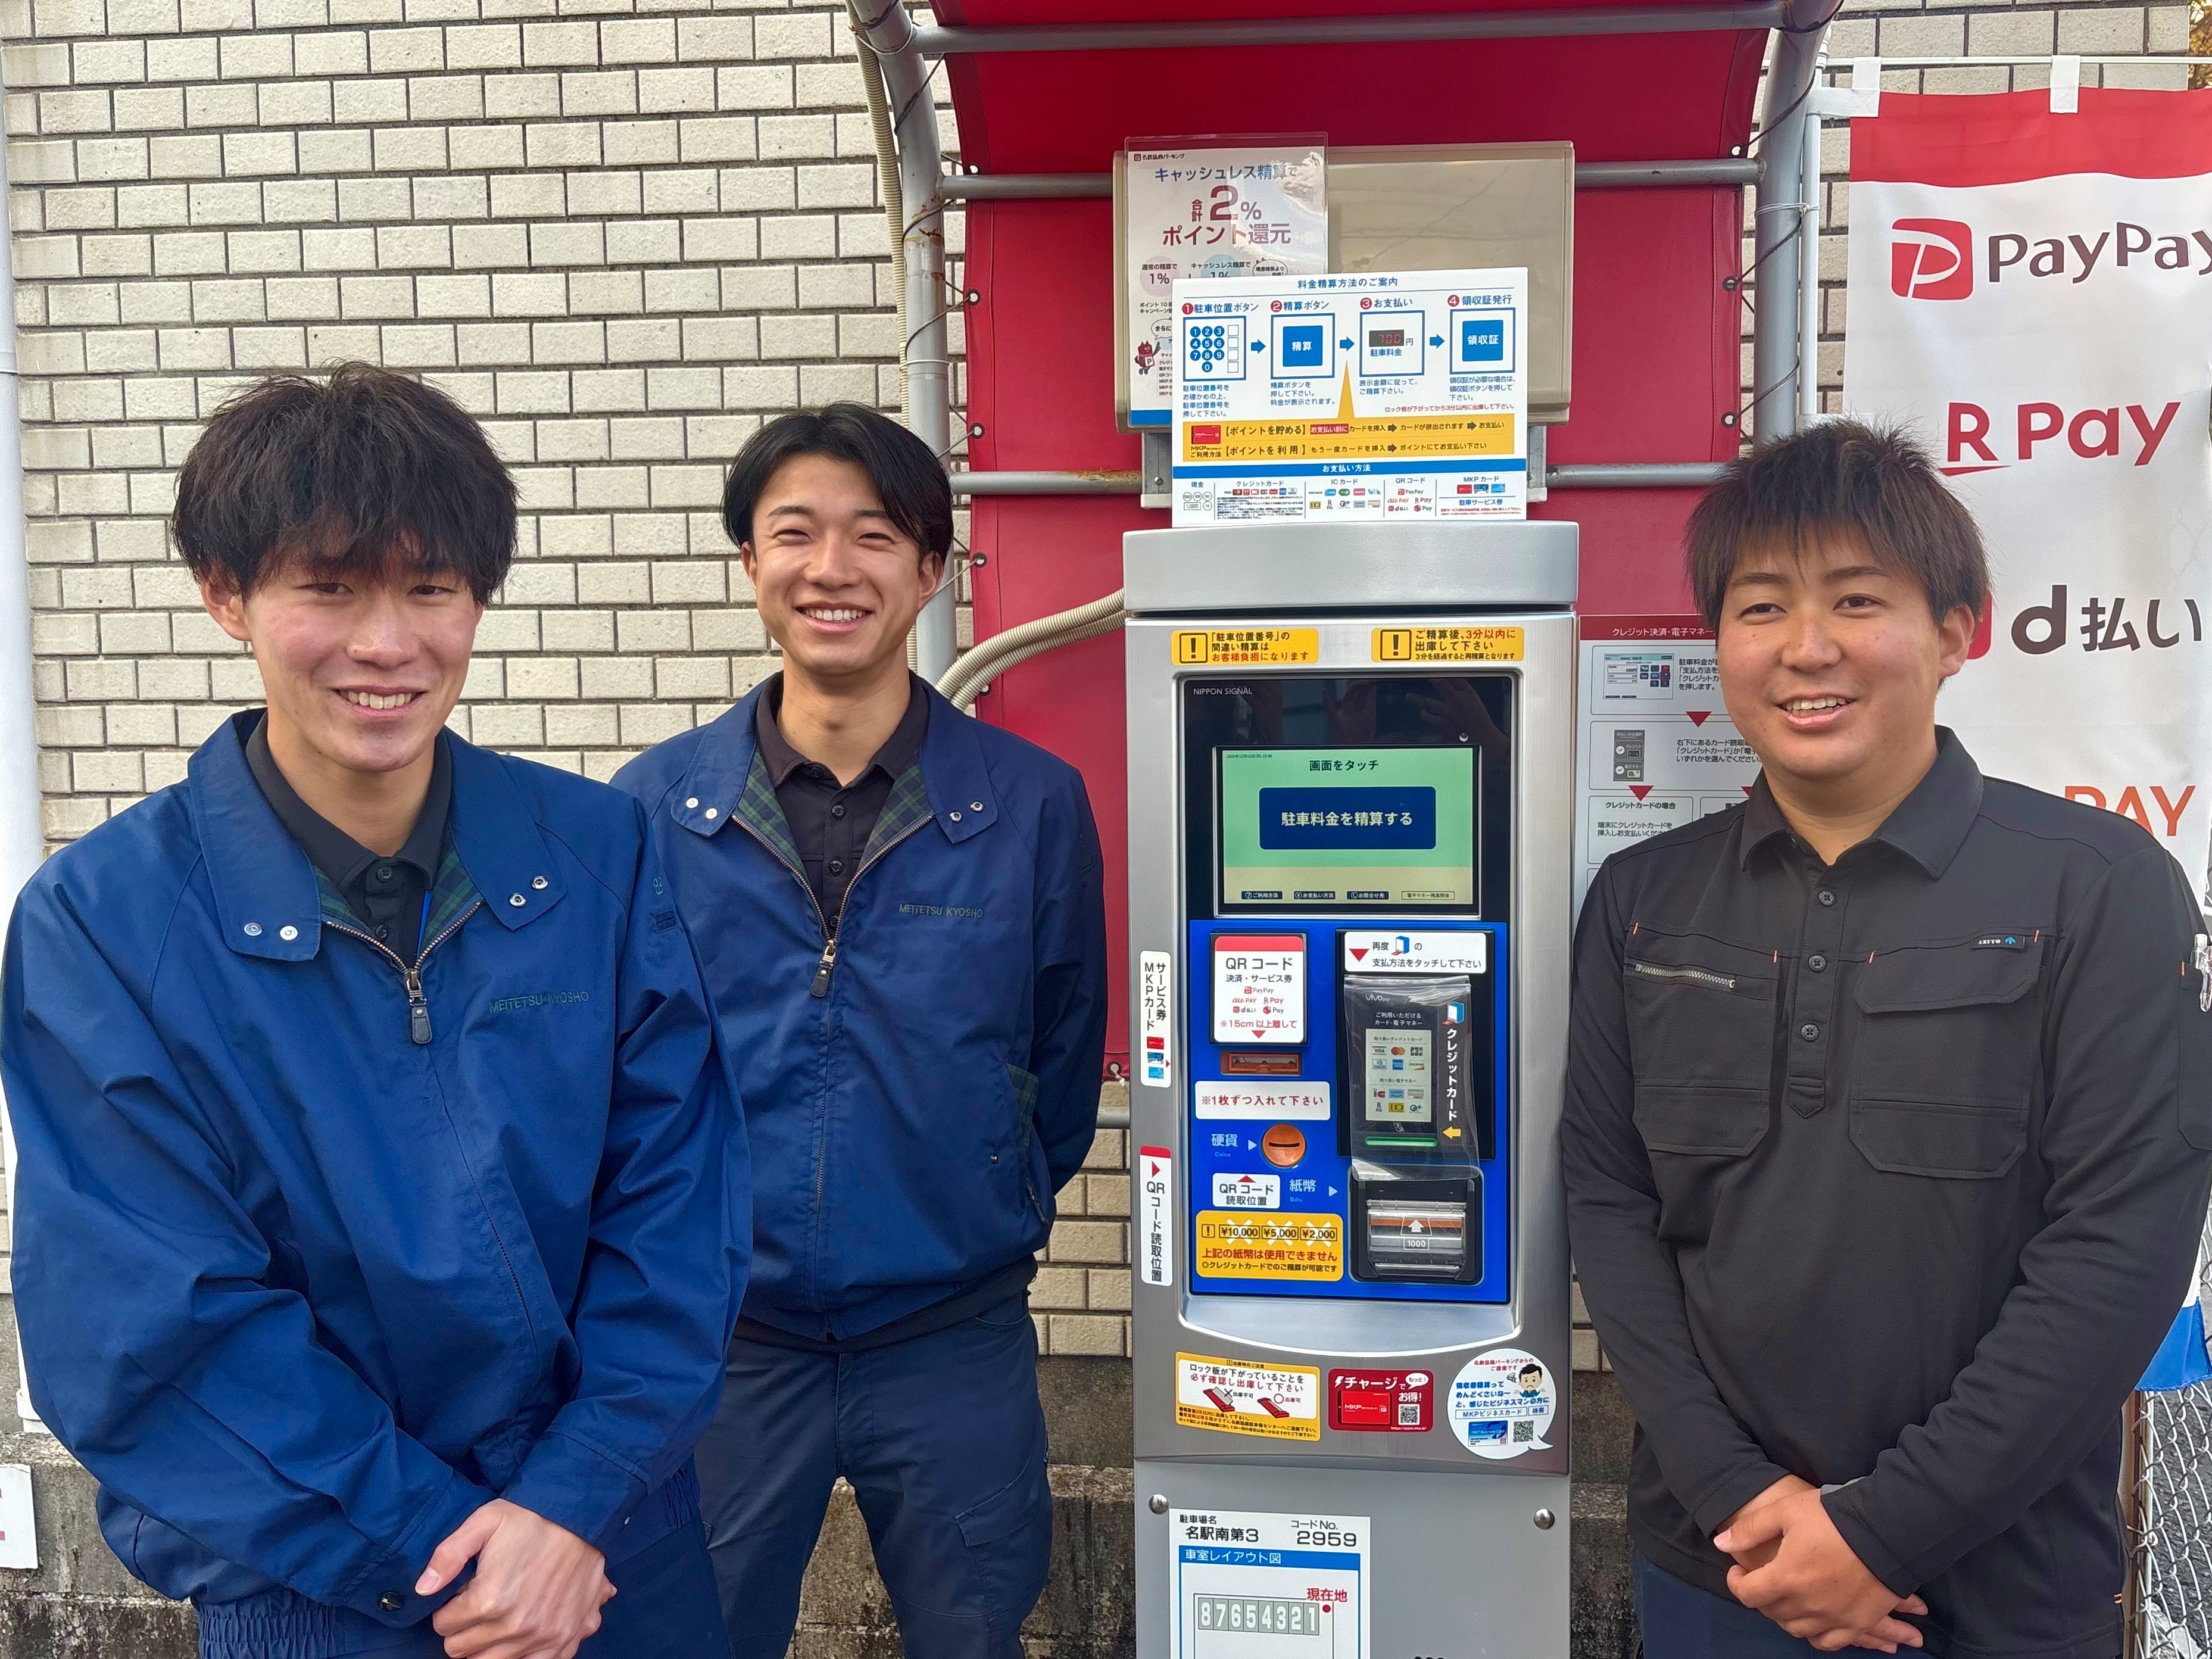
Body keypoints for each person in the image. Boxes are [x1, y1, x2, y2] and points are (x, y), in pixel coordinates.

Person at [2, 365, 748, 1659]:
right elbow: (153, 1325)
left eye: (430, 587)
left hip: (609, 1554)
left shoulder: (596, 853)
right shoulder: (104, 926)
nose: (388, 642)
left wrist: (568, 1505)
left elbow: (679, 1209)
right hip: (321, 1584)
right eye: (330, 586)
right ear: (226, 595)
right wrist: (448, 1554)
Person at [1562, 420, 2212, 1659]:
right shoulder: (1642, 900)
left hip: (1993, 1583)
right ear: (1719, 641)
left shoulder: (2099, 888)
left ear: (1958, 629)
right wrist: (1742, 1502)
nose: (1807, 649)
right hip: (1719, 1574)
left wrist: (1880, 1532)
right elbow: (1609, 1202)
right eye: (1761, 608)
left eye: (1858, 600)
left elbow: (2118, 1246)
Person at [614, 404, 1107, 1659]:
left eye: (874, 534)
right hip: (724, 1346)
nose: (832, 568)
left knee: (976, 1634)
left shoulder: (1030, 805)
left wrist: (975, 1199)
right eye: (796, 533)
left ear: (931, 569)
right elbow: (622, 1077)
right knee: (692, 1637)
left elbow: (1057, 1067)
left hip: (952, 1338)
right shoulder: (652, 811)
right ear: (751, 565)